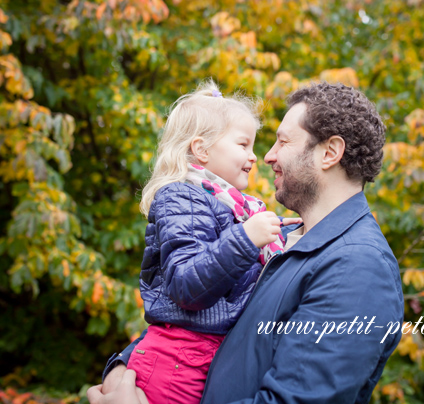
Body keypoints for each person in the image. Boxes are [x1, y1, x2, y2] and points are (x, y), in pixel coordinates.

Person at [91, 82, 404, 404]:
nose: (267, 156)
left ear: (329, 153)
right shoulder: (278, 242)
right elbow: (191, 314)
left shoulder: (357, 267)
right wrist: (122, 369)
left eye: (282, 141)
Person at [116, 81, 301, 404]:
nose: (255, 156)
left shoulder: (233, 207)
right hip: (177, 361)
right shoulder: (181, 196)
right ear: (201, 149)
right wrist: (247, 239)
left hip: (203, 356)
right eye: (243, 145)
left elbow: (235, 276)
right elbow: (187, 284)